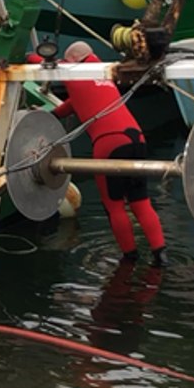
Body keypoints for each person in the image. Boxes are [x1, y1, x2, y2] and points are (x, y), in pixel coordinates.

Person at [52, 41, 168, 266]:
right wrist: (54, 113)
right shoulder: (103, 74)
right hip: (136, 137)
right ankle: (160, 254)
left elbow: (47, 65)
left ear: (73, 60)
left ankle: (129, 256)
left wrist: (32, 57)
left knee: (114, 205)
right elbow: (74, 104)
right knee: (140, 201)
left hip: (109, 142)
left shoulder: (74, 73)